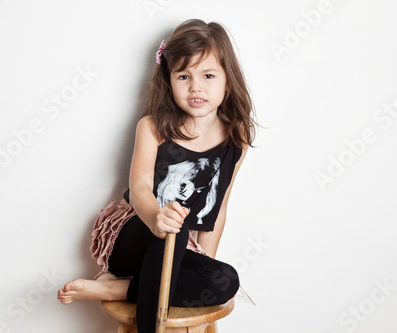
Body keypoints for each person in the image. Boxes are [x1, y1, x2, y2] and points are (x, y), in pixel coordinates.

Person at [58, 18, 258, 332]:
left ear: (227, 81)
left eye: (208, 75)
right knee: (175, 227)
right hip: (133, 236)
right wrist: (156, 218)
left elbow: (217, 210)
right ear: (169, 80)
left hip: (174, 255)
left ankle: (117, 288)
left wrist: (205, 262)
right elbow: (138, 187)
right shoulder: (154, 127)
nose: (196, 86)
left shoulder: (237, 140)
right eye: (184, 76)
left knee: (226, 280)